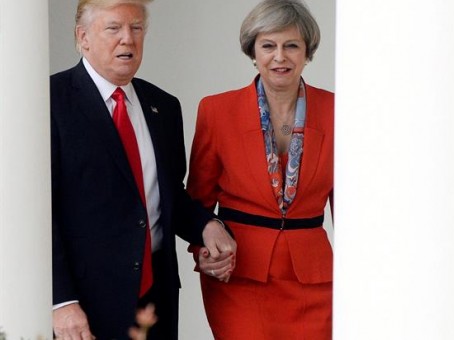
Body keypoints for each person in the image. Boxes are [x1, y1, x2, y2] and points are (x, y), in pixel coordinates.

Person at [50, 0, 236, 339]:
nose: (128, 39)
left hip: (156, 300)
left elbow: (169, 197)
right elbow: (37, 213)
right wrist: (61, 302)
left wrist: (207, 225)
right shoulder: (50, 100)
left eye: (136, 28)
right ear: (83, 37)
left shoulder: (163, 106)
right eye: (114, 28)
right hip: (85, 307)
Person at [186, 0, 334, 338]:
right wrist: (204, 252)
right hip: (239, 278)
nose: (279, 56)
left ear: (307, 52)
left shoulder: (338, 110)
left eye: (291, 45)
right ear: (253, 51)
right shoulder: (216, 111)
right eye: (268, 46)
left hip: (315, 283)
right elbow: (197, 202)